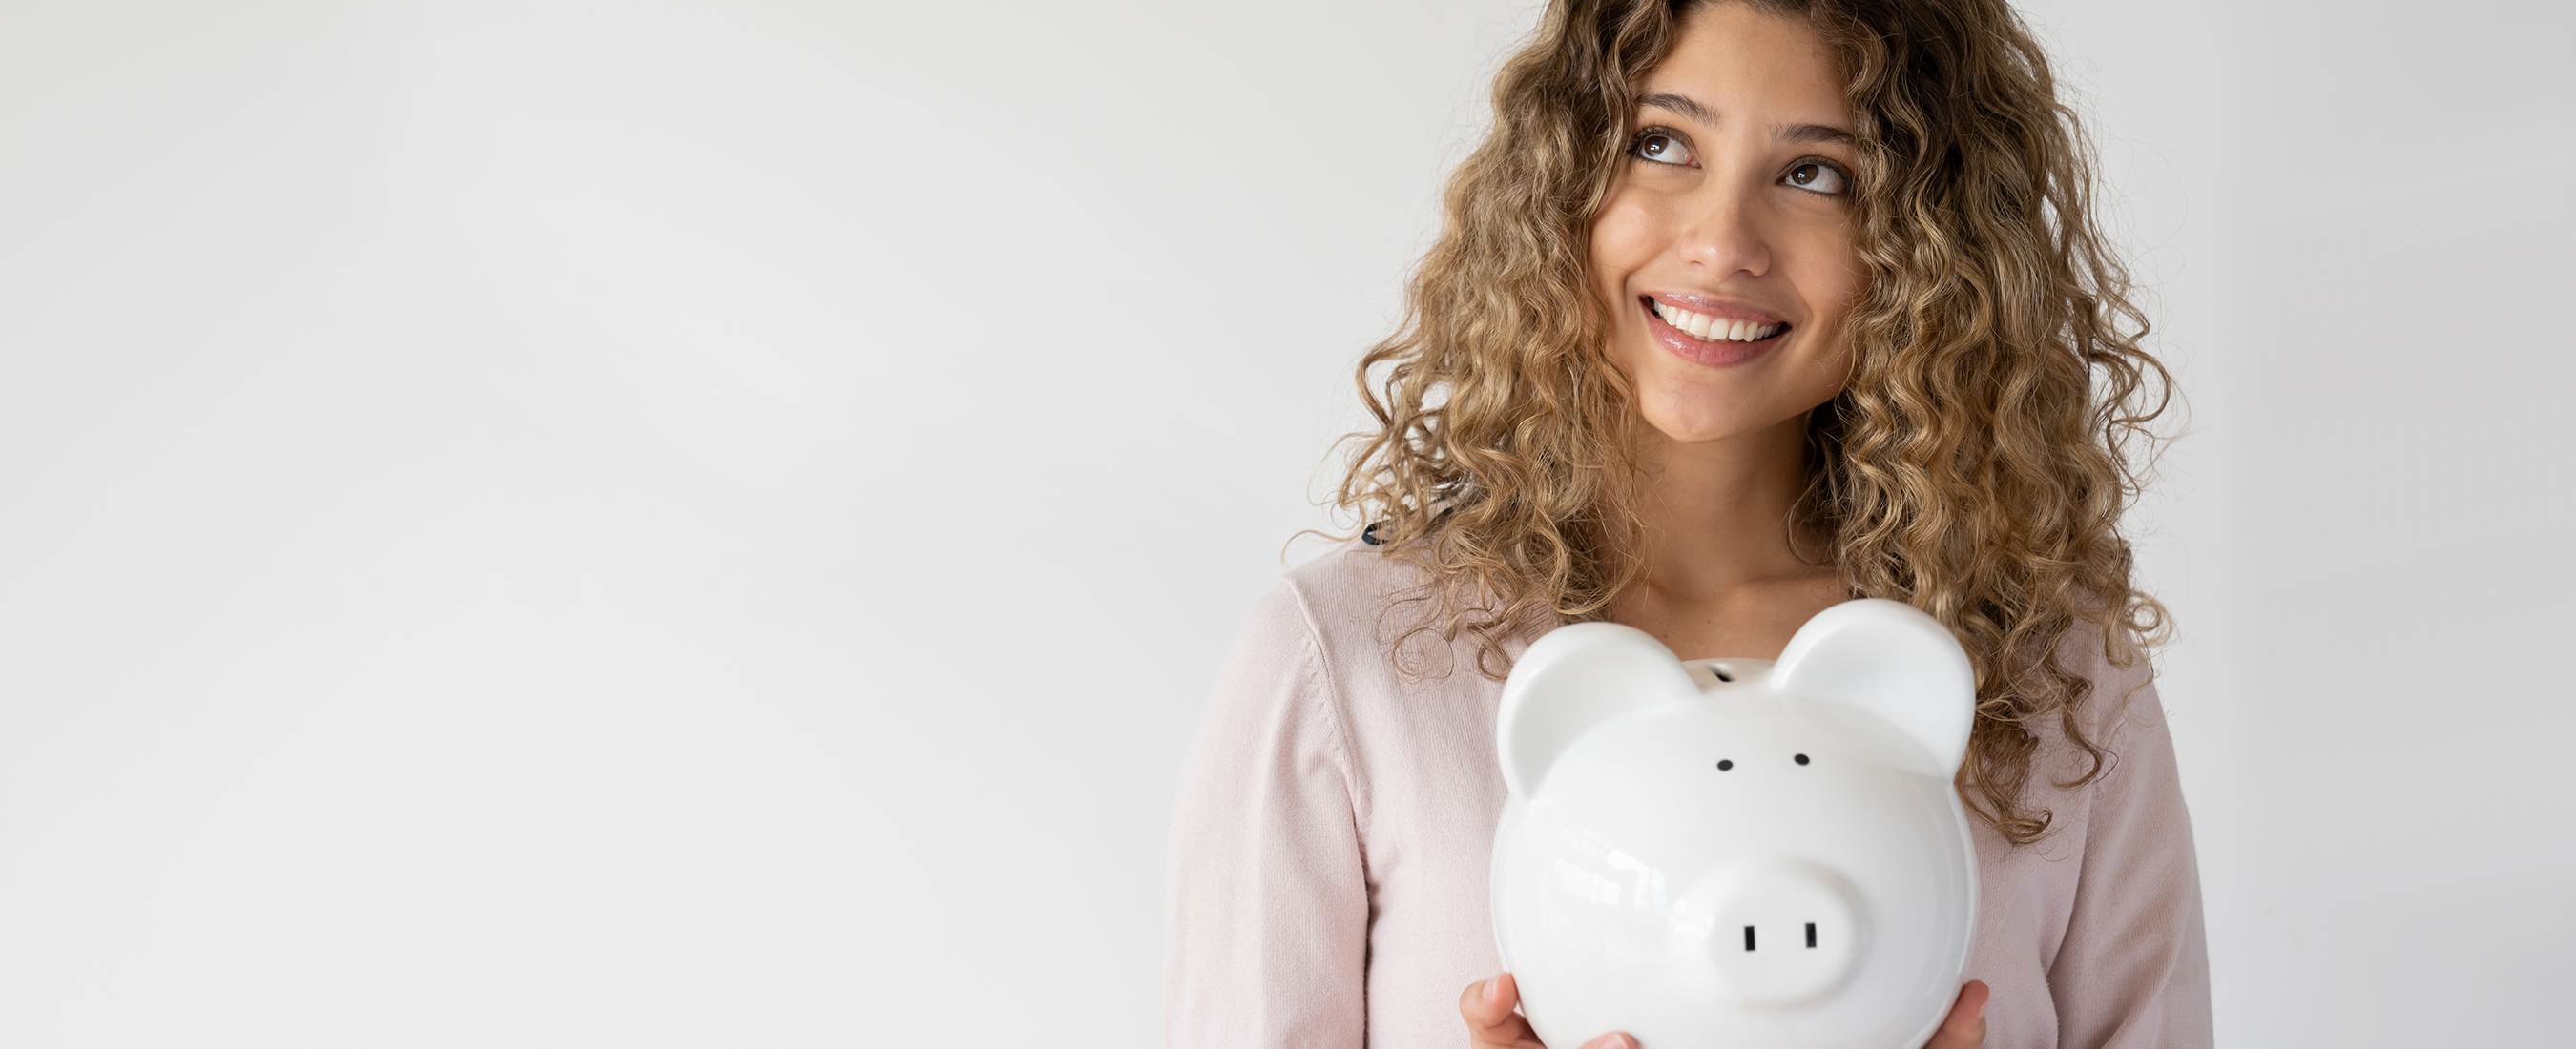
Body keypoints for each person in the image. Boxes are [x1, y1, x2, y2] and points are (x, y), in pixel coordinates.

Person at [1164, 0, 2211, 1046]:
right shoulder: (1348, 664)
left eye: (1817, 173)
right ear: (1561, 180)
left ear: (1932, 245)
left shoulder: (2056, 673)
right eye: (1662, 145)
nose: (1722, 245)